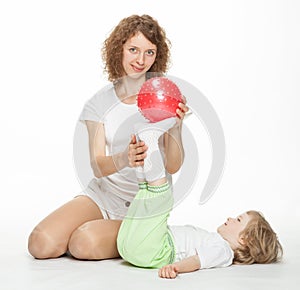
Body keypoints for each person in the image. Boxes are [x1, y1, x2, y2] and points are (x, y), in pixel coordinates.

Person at [28, 14, 189, 259]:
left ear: (158, 55)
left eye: (149, 52)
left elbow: (174, 166)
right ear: (119, 50)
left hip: (144, 204)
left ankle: (145, 234)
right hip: (105, 195)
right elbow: (97, 166)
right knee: (40, 243)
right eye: (133, 49)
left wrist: (176, 126)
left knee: (83, 243)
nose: (140, 60)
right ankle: (119, 233)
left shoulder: (163, 96)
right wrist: (126, 158)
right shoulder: (99, 103)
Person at [117, 118, 283, 279]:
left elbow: (198, 261)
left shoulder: (224, 251)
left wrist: (177, 267)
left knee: (162, 196)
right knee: (145, 194)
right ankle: (144, 144)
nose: (230, 218)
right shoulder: (215, 241)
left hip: (155, 250)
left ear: (244, 239)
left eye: (238, 220)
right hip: (132, 247)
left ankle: (149, 139)